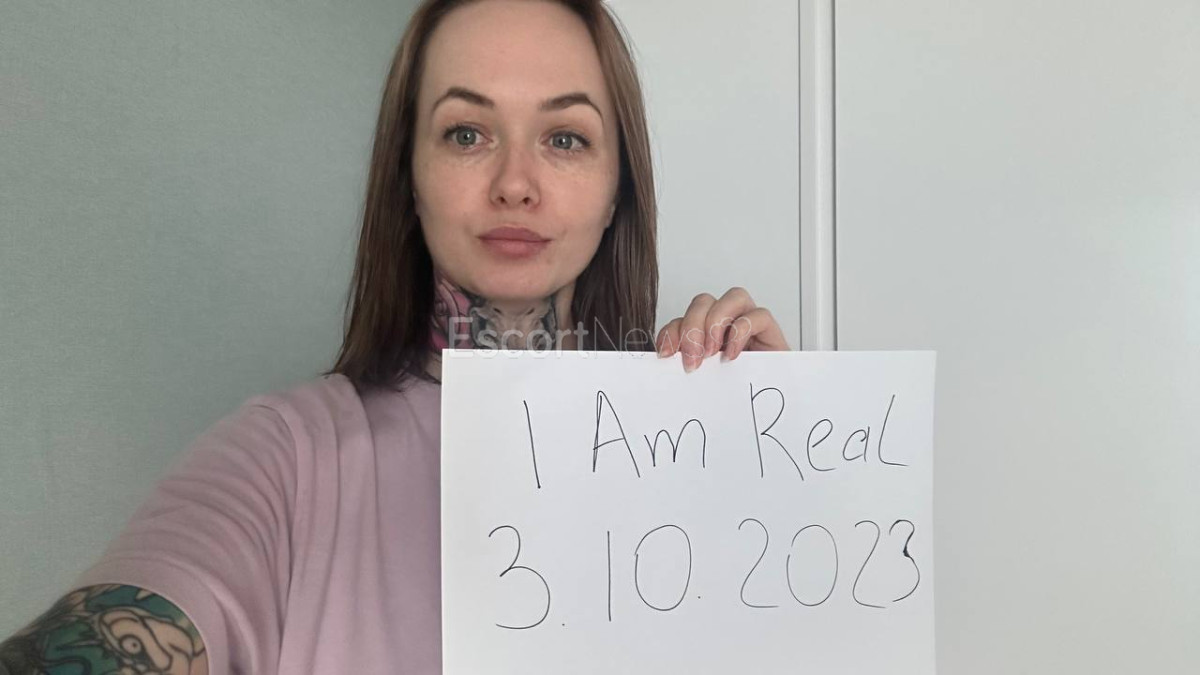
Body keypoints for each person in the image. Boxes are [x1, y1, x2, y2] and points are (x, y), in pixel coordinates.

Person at [0, 1, 789, 673]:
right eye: (467, 133)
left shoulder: (695, 448)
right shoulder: (282, 459)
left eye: (565, 138)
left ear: (618, 191)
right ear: (409, 177)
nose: (516, 182)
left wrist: (781, 462)